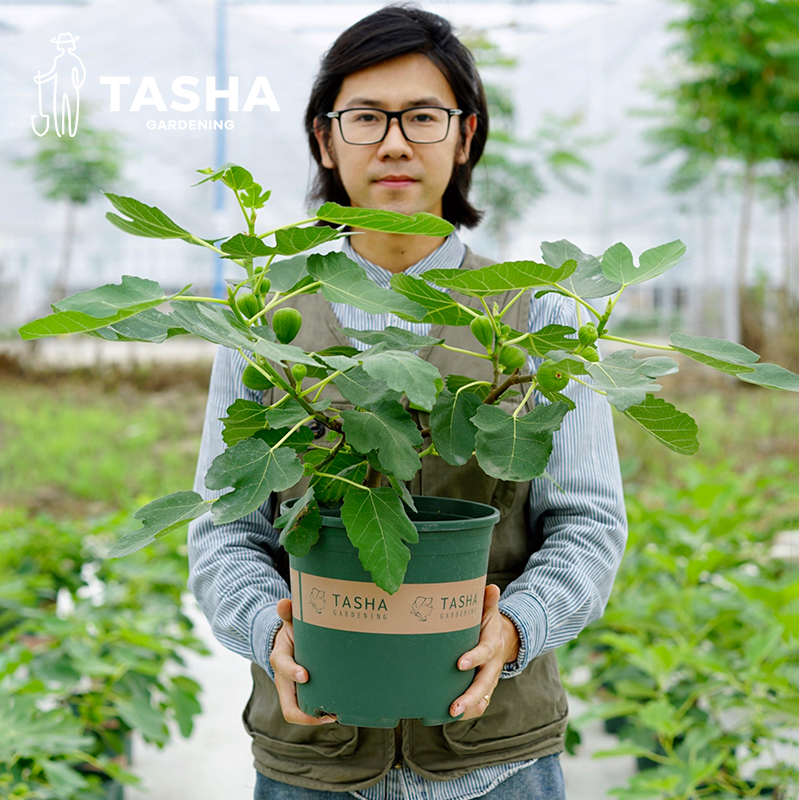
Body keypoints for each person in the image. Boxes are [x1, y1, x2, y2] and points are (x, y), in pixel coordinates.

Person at [187, 5, 627, 799]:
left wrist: (517, 627)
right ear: (325, 138)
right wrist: (267, 631)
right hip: (314, 761)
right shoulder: (264, 323)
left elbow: (588, 524)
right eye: (365, 117)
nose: (394, 141)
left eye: (423, 116)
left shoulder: (536, 317)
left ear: (466, 136)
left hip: (498, 764)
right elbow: (225, 527)